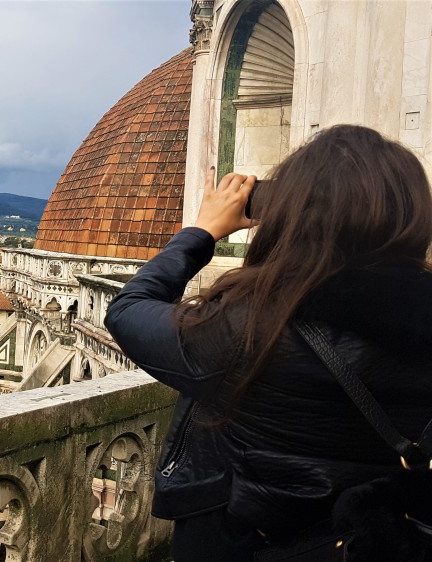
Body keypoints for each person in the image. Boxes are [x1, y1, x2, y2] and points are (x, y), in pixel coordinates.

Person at [104, 125, 432, 561]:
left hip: (250, 541)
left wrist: (200, 232)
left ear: (290, 215)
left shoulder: (251, 327)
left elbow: (128, 311)